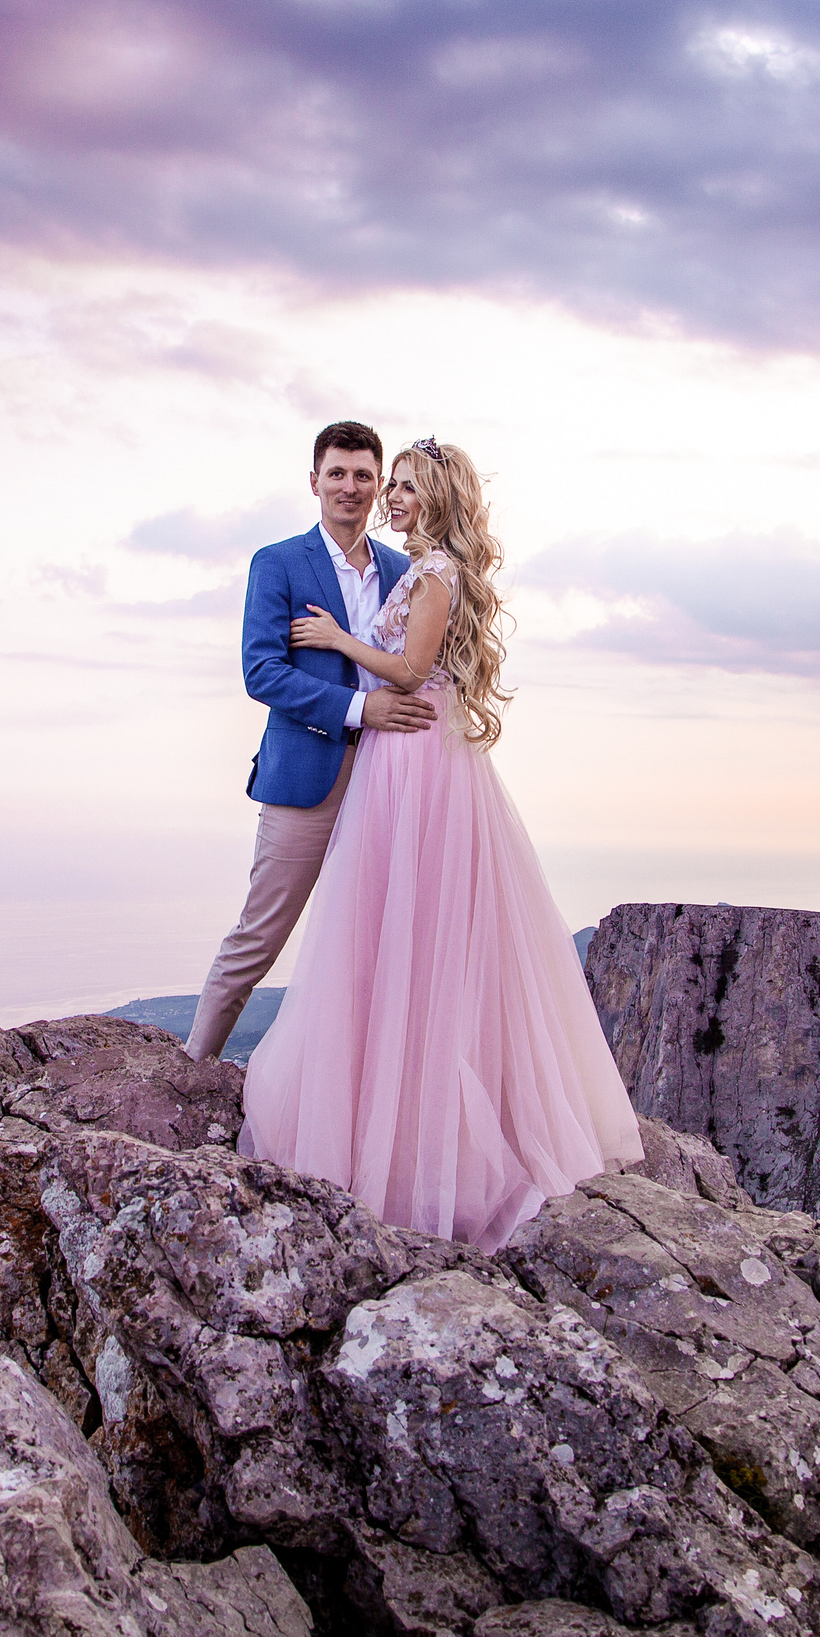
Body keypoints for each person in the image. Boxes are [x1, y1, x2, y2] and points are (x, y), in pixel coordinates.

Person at [240, 436, 643, 1251]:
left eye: (406, 488)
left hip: (414, 759)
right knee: (393, 935)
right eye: (387, 485)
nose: (389, 498)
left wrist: (335, 640)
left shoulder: (429, 573)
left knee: (412, 936)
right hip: (407, 753)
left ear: (439, 499)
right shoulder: (407, 567)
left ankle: (417, 1136)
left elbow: (407, 666)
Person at [184, 421, 443, 1065]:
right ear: (314, 481)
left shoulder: (402, 568)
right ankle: (189, 1071)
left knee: (375, 941)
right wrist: (362, 708)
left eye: (362, 475)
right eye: (336, 473)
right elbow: (261, 672)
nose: (349, 487)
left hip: (390, 775)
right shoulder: (278, 563)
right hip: (307, 775)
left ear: (378, 485)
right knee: (259, 937)